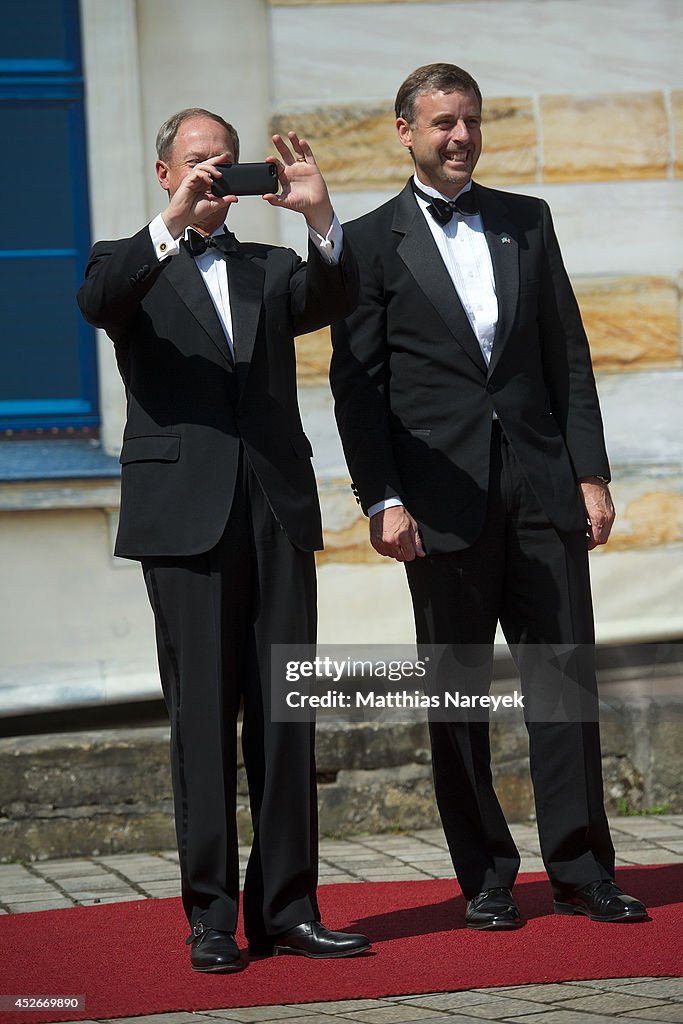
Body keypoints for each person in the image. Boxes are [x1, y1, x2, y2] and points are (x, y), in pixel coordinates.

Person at [330, 65, 648, 930]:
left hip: (542, 489)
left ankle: (582, 869)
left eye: (469, 120)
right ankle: (486, 877)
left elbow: (565, 354)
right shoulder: (364, 243)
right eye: (441, 123)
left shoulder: (525, 221)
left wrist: (590, 473)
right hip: (439, 503)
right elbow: (357, 390)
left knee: (561, 687)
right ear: (404, 131)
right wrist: (381, 501)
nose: (459, 136)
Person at [78, 107, 370, 971]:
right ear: (164, 173)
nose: (216, 175)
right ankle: (210, 920)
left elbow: (334, 295)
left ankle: (288, 909)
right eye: (200, 163)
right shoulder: (122, 260)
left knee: (285, 718)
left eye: (229, 164)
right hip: (185, 521)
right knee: (202, 723)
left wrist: (320, 217)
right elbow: (99, 302)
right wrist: (170, 227)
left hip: (274, 511)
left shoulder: (271, 267)